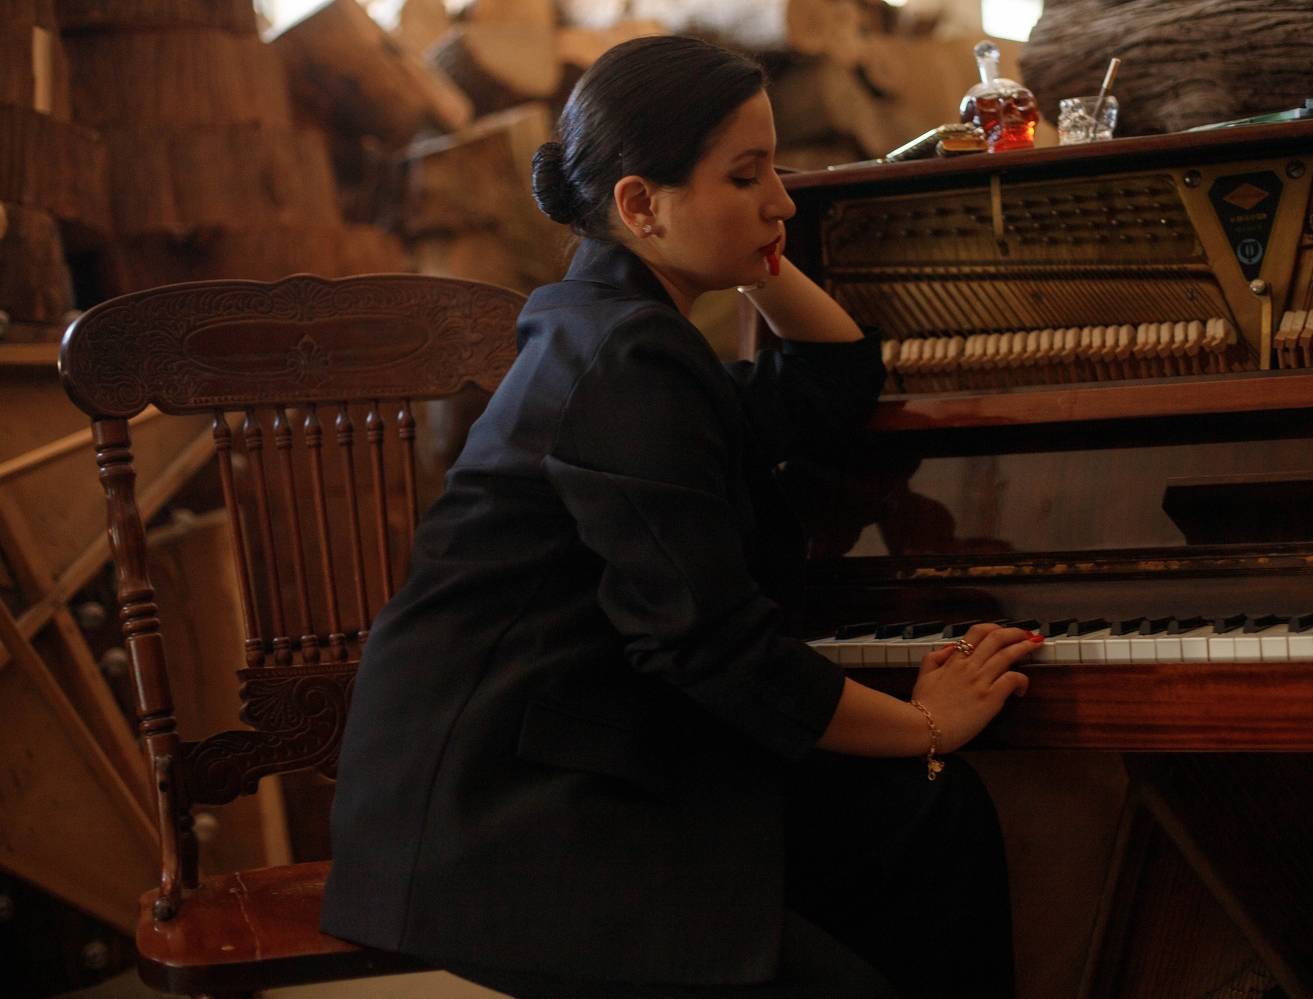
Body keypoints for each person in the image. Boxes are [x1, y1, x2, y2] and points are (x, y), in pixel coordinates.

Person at [320, 34, 1039, 999]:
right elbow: (712, 648)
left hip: (598, 751)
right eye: (747, 175)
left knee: (933, 820)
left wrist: (755, 248)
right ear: (639, 206)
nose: (784, 200)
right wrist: (925, 722)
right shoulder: (623, 360)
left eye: (774, 168)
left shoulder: (617, 318)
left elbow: (829, 380)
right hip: (510, 816)